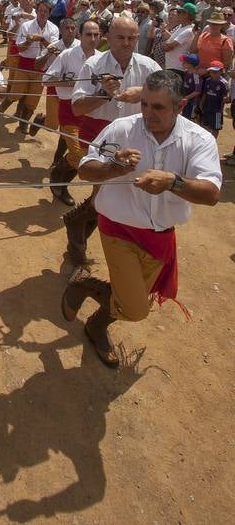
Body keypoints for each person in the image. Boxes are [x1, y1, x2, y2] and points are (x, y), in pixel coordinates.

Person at [61, 70, 221, 367]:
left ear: (180, 107)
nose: (147, 113)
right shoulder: (122, 128)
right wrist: (112, 169)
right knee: (136, 309)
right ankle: (90, 291)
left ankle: (94, 316)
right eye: (144, 104)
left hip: (160, 235)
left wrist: (173, 181)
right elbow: (85, 168)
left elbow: (211, 193)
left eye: (158, 107)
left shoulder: (198, 139)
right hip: (118, 228)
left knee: (130, 299)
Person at [65, 17, 162, 267]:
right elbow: (77, 107)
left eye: (132, 38)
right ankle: (79, 234)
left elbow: (169, 95)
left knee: (116, 194)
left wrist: (143, 93)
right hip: (99, 135)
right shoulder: (94, 64)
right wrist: (102, 94)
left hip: (136, 138)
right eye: (121, 37)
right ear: (108, 37)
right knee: (107, 193)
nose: (127, 43)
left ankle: (77, 226)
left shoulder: (149, 66)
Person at [43, 20, 101, 208]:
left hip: (92, 114)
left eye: (96, 35)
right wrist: (67, 83)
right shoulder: (67, 55)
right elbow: (46, 80)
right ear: (80, 35)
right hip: (68, 110)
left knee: (89, 154)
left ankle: (60, 183)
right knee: (79, 157)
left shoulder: (103, 59)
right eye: (88, 34)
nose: (92, 38)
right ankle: (58, 176)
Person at [14, 0, 59, 134]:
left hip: (41, 66)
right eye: (40, 11)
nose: (42, 14)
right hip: (24, 64)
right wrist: (28, 41)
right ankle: (4, 111)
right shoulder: (26, 26)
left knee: (32, 100)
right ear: (37, 11)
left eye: (46, 11)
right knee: (16, 94)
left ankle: (23, 124)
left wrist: (42, 39)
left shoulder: (54, 29)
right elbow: (20, 49)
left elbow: (54, 49)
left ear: (49, 14)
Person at [161, 3, 196, 80]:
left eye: (179, 12)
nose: (177, 14)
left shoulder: (188, 30)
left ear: (186, 15)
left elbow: (168, 47)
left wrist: (165, 44)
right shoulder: (180, 27)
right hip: (171, 67)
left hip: (177, 68)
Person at [198, 60, 229, 138]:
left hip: (217, 110)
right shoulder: (208, 81)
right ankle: (207, 141)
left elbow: (226, 97)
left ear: (221, 71)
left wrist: (226, 99)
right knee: (206, 125)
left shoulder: (224, 83)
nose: (213, 74)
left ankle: (213, 141)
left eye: (215, 72)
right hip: (207, 108)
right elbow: (205, 94)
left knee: (215, 128)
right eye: (211, 72)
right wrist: (201, 104)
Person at [180, 53, 202, 120]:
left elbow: (198, 91)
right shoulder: (186, 73)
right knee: (183, 117)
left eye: (185, 62)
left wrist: (187, 97)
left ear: (191, 64)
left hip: (192, 102)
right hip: (185, 100)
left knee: (190, 119)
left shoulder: (196, 75)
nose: (182, 63)